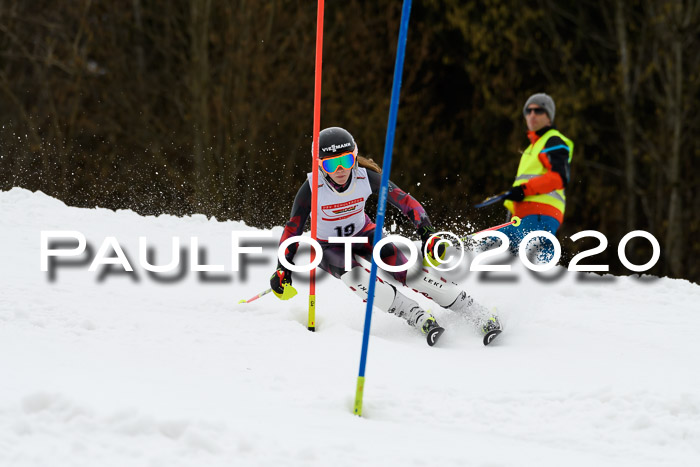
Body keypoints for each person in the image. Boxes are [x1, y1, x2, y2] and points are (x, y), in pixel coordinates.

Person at [270, 127, 501, 346]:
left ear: (355, 156)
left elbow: (406, 202)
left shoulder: (365, 177)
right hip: (328, 246)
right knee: (357, 279)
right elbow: (293, 228)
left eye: (346, 160)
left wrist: (427, 233)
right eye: (332, 164)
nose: (341, 170)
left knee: (411, 273)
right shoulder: (311, 188)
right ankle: (415, 314)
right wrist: (283, 267)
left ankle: (474, 311)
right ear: (319, 164)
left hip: (366, 234)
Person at [491, 93, 574, 255]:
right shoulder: (531, 149)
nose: (532, 115)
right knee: (497, 259)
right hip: (522, 216)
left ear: (549, 116)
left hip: (540, 215)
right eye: (528, 111)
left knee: (529, 267)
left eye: (538, 111)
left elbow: (559, 178)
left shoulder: (553, 141)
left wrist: (523, 190)